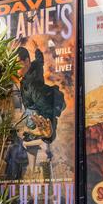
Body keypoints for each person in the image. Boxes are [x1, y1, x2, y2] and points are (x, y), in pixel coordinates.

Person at [16, 42, 65, 182]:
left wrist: (48, 135)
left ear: (26, 61)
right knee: (30, 136)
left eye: (18, 64)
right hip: (38, 107)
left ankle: (41, 148)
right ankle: (34, 172)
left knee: (31, 138)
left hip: (42, 106)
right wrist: (38, 51)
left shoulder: (33, 86)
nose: (15, 69)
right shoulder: (35, 65)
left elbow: (48, 112)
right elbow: (40, 60)